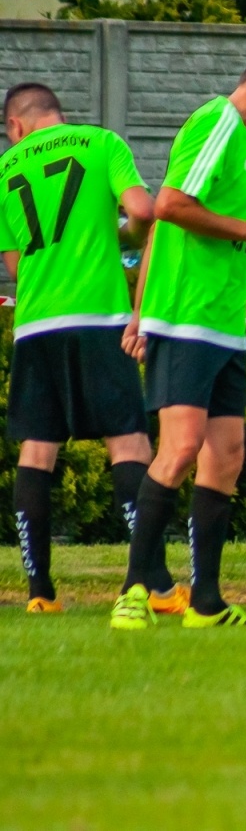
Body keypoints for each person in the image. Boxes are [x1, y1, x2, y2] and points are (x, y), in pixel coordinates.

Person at [111, 46, 246, 630]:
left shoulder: (239, 139)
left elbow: (165, 233)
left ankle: (207, 602)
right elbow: (168, 206)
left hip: (221, 323)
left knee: (227, 456)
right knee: (180, 448)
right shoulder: (216, 121)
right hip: (189, 318)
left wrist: (138, 308)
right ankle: (132, 592)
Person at [1, 83, 174, 613]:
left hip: (34, 325)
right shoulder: (100, 142)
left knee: (37, 450)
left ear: (16, 127)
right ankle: (153, 583)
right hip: (99, 319)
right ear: (59, 114)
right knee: (128, 443)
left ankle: (40, 593)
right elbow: (143, 211)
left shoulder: (6, 170)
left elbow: (13, 265)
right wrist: (118, 239)